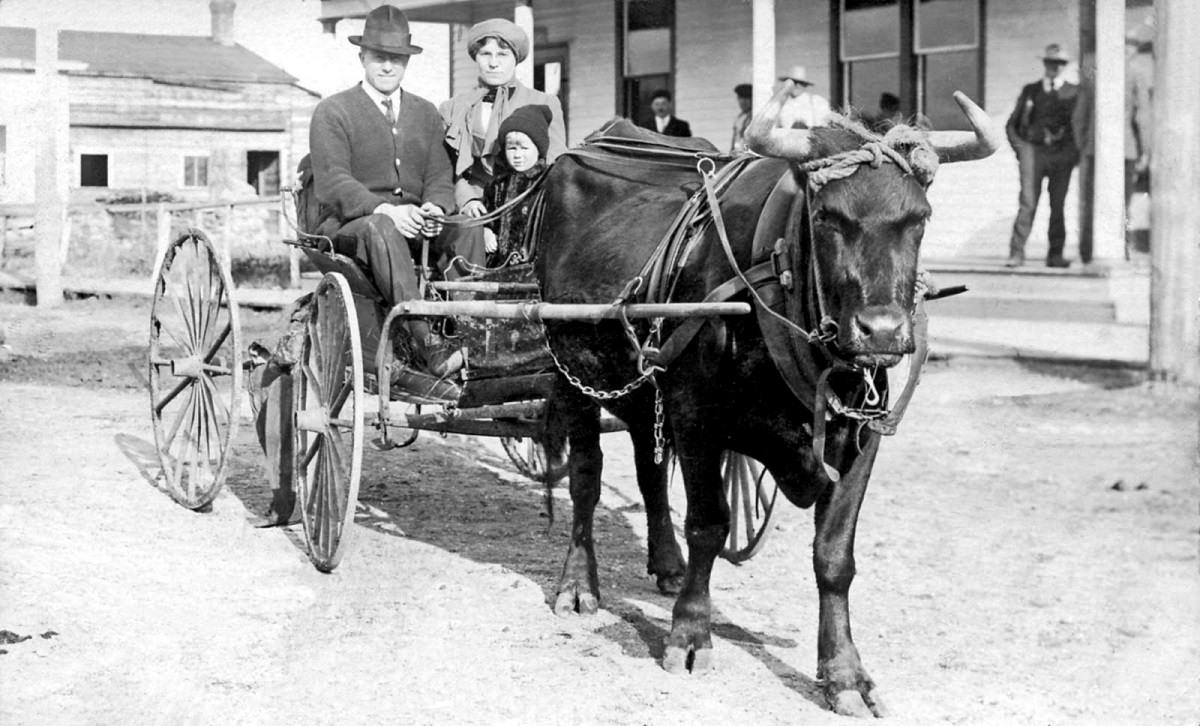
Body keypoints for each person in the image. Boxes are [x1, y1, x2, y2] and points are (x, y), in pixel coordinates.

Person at [308, 5, 460, 376]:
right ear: (362, 57)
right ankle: (427, 345)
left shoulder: (425, 113)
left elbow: (440, 175)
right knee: (382, 229)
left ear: (407, 62)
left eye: (396, 59)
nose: (388, 67)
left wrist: (435, 209)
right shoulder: (334, 111)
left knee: (467, 229)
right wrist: (386, 210)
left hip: (414, 224)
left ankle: (473, 335)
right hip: (353, 228)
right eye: (379, 58)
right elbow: (332, 182)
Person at [439, 17, 566, 271]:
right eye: (485, 54)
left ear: (516, 59)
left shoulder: (543, 103)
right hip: (475, 205)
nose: (494, 62)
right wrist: (467, 201)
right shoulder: (453, 108)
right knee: (464, 231)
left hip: (525, 200)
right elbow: (445, 169)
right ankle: (467, 305)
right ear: (476, 57)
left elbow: (556, 164)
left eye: (502, 54)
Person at [1004, 43, 1080, 268]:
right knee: (1028, 202)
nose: (1053, 67)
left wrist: (1071, 155)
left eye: (1059, 63)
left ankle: (1055, 255)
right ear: (1044, 64)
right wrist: (1022, 150)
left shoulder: (1073, 92)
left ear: (1064, 66)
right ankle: (1016, 253)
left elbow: (1081, 126)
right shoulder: (1031, 90)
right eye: (1050, 62)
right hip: (1033, 153)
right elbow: (1011, 125)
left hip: (1060, 156)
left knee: (1058, 204)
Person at [482, 104, 552, 267]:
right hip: (499, 266)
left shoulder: (549, 181)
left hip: (536, 267)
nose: (517, 155)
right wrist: (485, 232)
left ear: (538, 148)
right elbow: (487, 218)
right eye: (511, 148)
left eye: (524, 148)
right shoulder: (497, 185)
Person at [776, 65, 832, 129]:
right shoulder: (781, 103)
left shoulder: (817, 101)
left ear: (805, 85)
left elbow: (825, 126)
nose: (797, 85)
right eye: (794, 82)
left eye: (801, 83)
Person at [730, 83, 753, 153]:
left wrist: (746, 152)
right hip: (736, 153)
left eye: (746, 98)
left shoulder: (753, 116)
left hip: (745, 153)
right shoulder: (739, 117)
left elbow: (748, 140)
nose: (743, 102)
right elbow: (735, 136)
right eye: (740, 98)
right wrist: (731, 150)